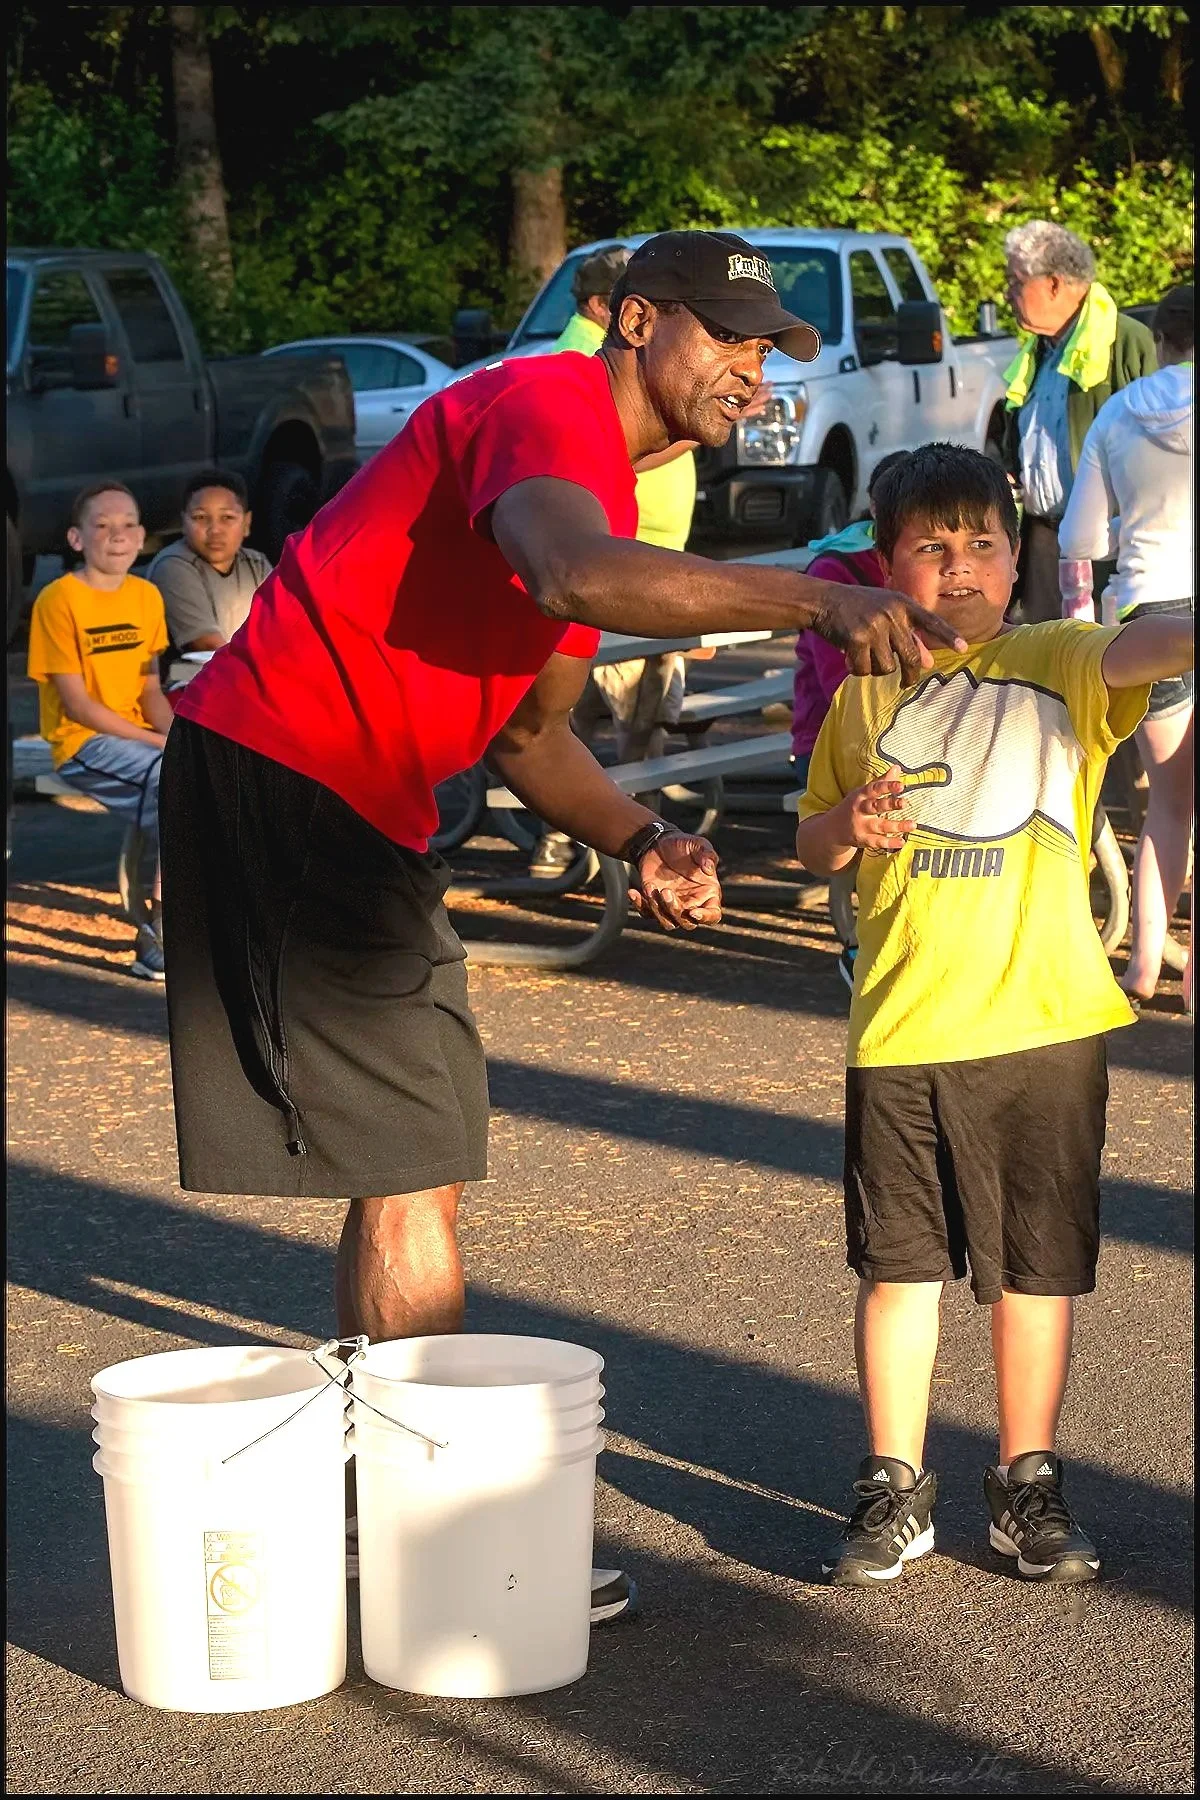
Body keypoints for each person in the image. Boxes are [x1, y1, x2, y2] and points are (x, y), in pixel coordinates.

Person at [159, 229, 966, 1619]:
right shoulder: (544, 408)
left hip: (344, 798)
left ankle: (390, 1511)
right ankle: (441, 1543)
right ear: (638, 321)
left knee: (412, 1165)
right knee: (417, 1160)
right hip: (295, 771)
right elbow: (569, 579)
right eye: (728, 338)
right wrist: (819, 597)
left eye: (770, 347)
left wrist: (646, 836)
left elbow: (531, 735)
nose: (754, 371)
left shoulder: (604, 503)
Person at [794, 442, 1193, 1587]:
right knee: (897, 1269)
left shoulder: (1061, 660)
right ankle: (893, 1485)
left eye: (983, 543)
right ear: (885, 566)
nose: (960, 567)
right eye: (931, 546)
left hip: (1045, 1026)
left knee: (1037, 1272)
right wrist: (847, 832)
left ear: (1015, 559)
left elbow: (1155, 642)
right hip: (901, 1025)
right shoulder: (863, 696)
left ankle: (1028, 1481)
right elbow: (812, 836)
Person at [532, 243, 701, 871]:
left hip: (648, 561)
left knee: (634, 720)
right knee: (594, 719)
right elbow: (614, 460)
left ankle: (624, 840)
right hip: (617, 569)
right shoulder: (582, 364)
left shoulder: (611, 359)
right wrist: (690, 425)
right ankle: (574, 844)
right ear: (616, 310)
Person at [1058, 284, 1194, 1010]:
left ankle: (1143, 965)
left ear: (1163, 339)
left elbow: (1083, 541)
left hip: (1149, 611)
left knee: (1168, 805)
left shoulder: (1117, 412)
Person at [26, 482, 173, 980]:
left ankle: (194, 919)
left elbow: (151, 691)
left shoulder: (147, 595)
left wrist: (183, 740)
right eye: (102, 525)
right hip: (82, 743)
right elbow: (79, 706)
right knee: (171, 784)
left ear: (143, 535)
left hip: (134, 738)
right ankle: (157, 935)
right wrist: (159, 745)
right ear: (75, 538)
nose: (118, 535)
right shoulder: (58, 599)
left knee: (200, 774)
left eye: (129, 523)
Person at [791, 451, 912, 986]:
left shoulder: (927, 571)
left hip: (909, 736)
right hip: (827, 744)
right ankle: (868, 945)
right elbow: (840, 686)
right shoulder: (835, 574)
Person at [1001, 219, 1156, 624]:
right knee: (1045, 672)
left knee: (1106, 671)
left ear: (1054, 283)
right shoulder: (1038, 350)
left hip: (1110, 550)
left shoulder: (1126, 342)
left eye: (1015, 283)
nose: (1007, 295)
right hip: (1044, 544)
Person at [147, 469, 272, 666]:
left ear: (246, 523)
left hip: (251, 670)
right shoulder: (172, 566)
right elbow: (206, 644)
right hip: (193, 681)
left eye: (227, 518)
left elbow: (283, 627)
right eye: (200, 518)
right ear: (183, 523)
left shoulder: (256, 564)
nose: (215, 530)